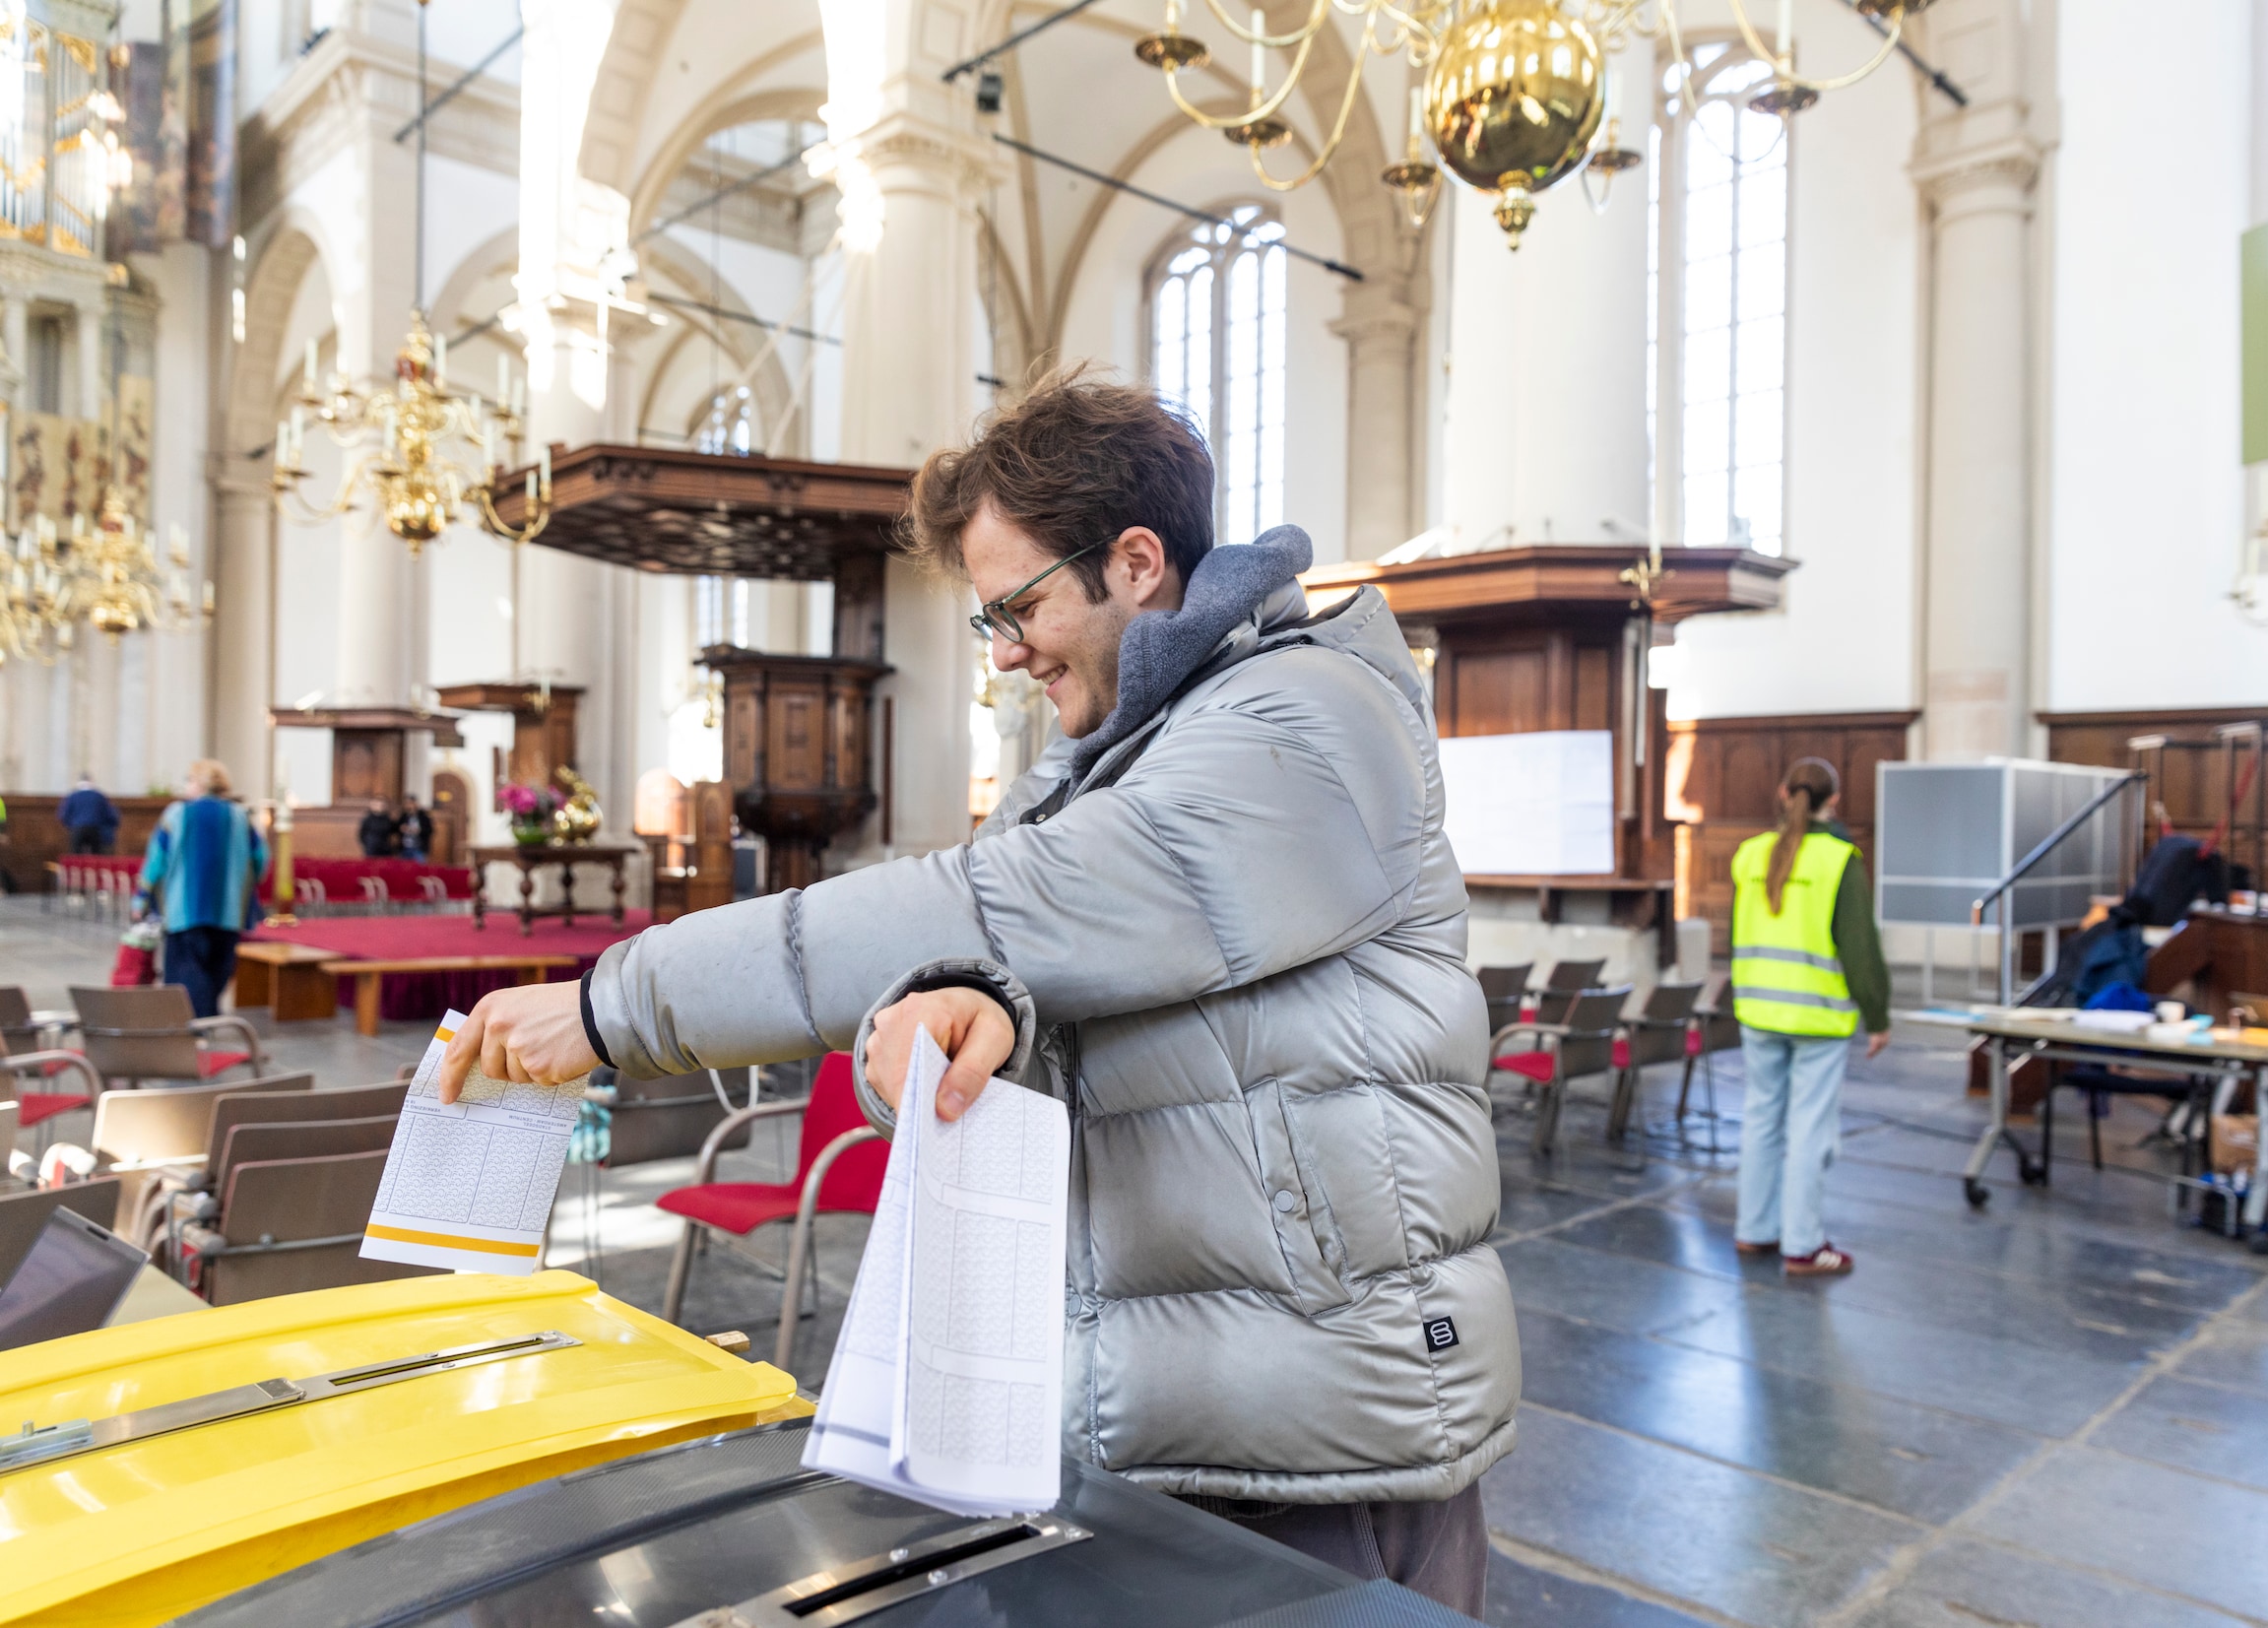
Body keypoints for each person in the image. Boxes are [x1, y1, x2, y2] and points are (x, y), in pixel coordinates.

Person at [431, 372, 1518, 1614]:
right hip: (1143, 1411)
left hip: (1321, 1438)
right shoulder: (1105, 761)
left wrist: (611, 1009)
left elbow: (1015, 902)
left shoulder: (1304, 718)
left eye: (1019, 606)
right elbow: (1039, 973)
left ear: (1136, 561)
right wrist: (952, 1017)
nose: (1002, 653)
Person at [1729, 758, 1892, 1277]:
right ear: (1834, 800)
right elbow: (1860, 950)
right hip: (1817, 1018)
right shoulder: (1840, 860)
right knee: (1808, 1131)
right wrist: (1878, 1015)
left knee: (1760, 1122)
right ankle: (1802, 1245)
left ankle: (1754, 1231)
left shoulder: (1749, 854)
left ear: (1782, 792)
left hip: (1758, 1010)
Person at [138, 760, 267, 1019]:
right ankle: (208, 1018)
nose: (186, 785)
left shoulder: (177, 814)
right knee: (218, 967)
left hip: (184, 910)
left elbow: (156, 860)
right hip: (228, 911)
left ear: (199, 783)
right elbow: (261, 857)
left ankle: (198, 1025)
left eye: (188, 780)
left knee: (187, 970)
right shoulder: (239, 816)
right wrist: (245, 886)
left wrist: (141, 897)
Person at [59, 775, 119, 855]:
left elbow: (64, 814)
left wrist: (71, 825)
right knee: (95, 856)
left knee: (76, 856)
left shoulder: (72, 796)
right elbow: (108, 814)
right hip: (95, 829)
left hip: (77, 828)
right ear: (91, 782)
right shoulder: (99, 796)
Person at [396, 795, 433, 862]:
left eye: (410, 803)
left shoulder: (424, 817)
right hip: (405, 847)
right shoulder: (403, 817)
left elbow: (430, 830)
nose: (409, 806)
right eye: (406, 803)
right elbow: (396, 829)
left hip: (419, 847)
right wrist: (401, 828)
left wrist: (419, 831)